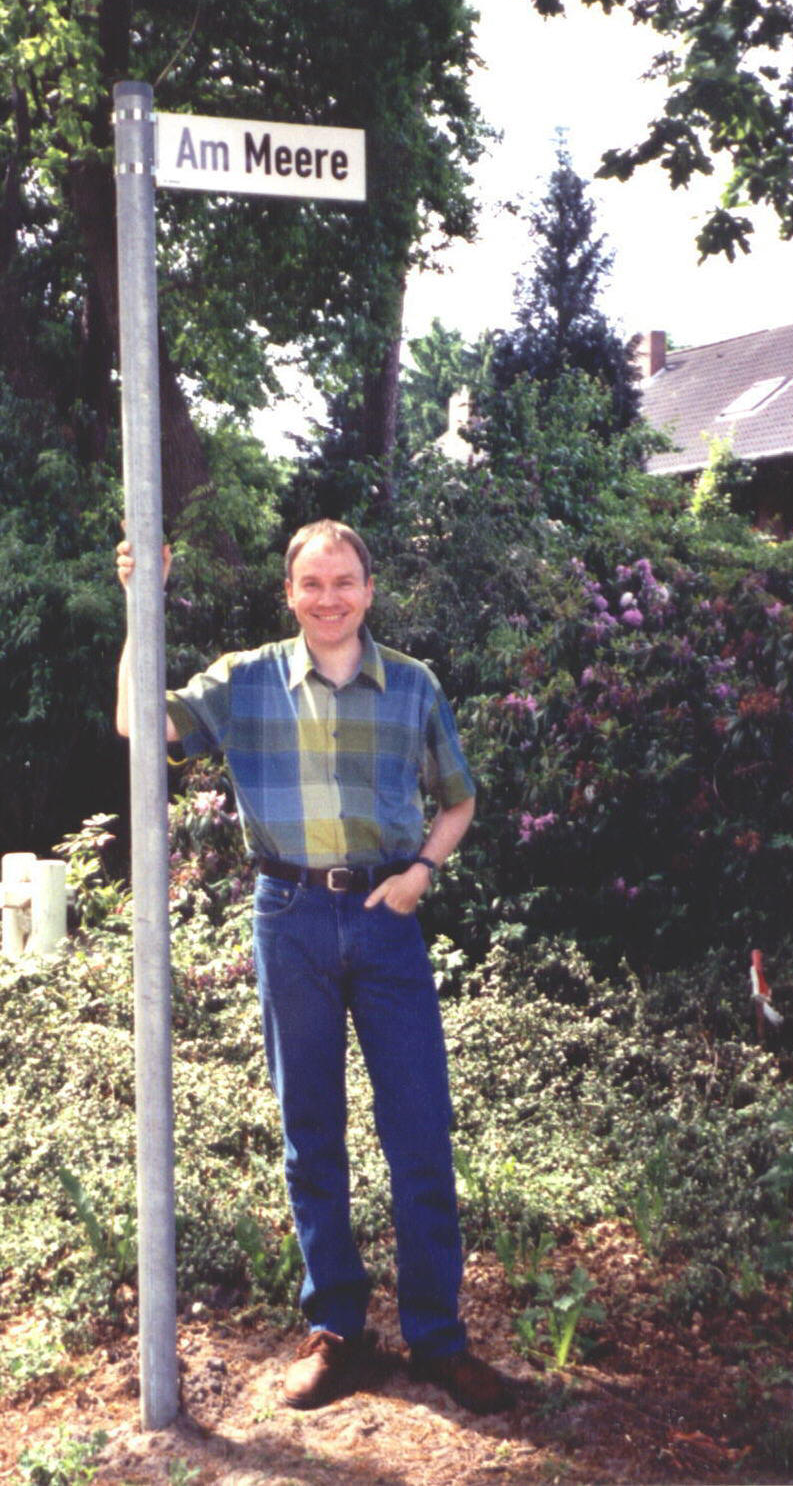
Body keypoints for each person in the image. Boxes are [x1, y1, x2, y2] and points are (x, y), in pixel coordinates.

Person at [116, 519, 510, 1414]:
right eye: (312, 583)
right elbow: (141, 728)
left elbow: (460, 797)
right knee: (310, 1132)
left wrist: (421, 875)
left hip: (385, 923)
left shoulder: (412, 685)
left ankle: (438, 1339)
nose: (329, 598)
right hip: (288, 918)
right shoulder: (246, 680)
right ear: (289, 594)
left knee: (419, 1130)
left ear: (370, 590)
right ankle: (338, 1332)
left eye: (345, 582)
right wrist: (143, 607)